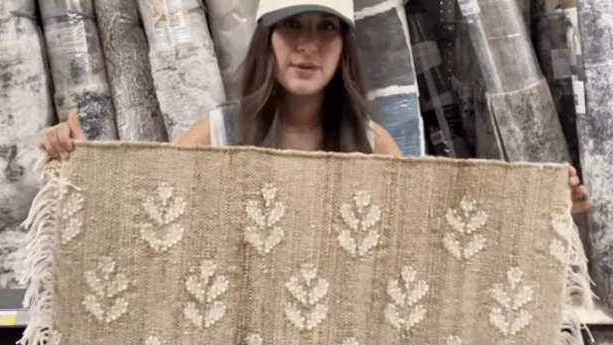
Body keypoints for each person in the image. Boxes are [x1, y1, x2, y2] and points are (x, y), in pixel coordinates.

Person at [38, 0, 593, 213]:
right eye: (292, 28)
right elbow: (143, 210)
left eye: (326, 29)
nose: (308, 44)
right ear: (268, 41)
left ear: (344, 48)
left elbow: (434, 232)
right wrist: (79, 164)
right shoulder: (222, 133)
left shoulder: (371, 145)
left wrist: (542, 209)